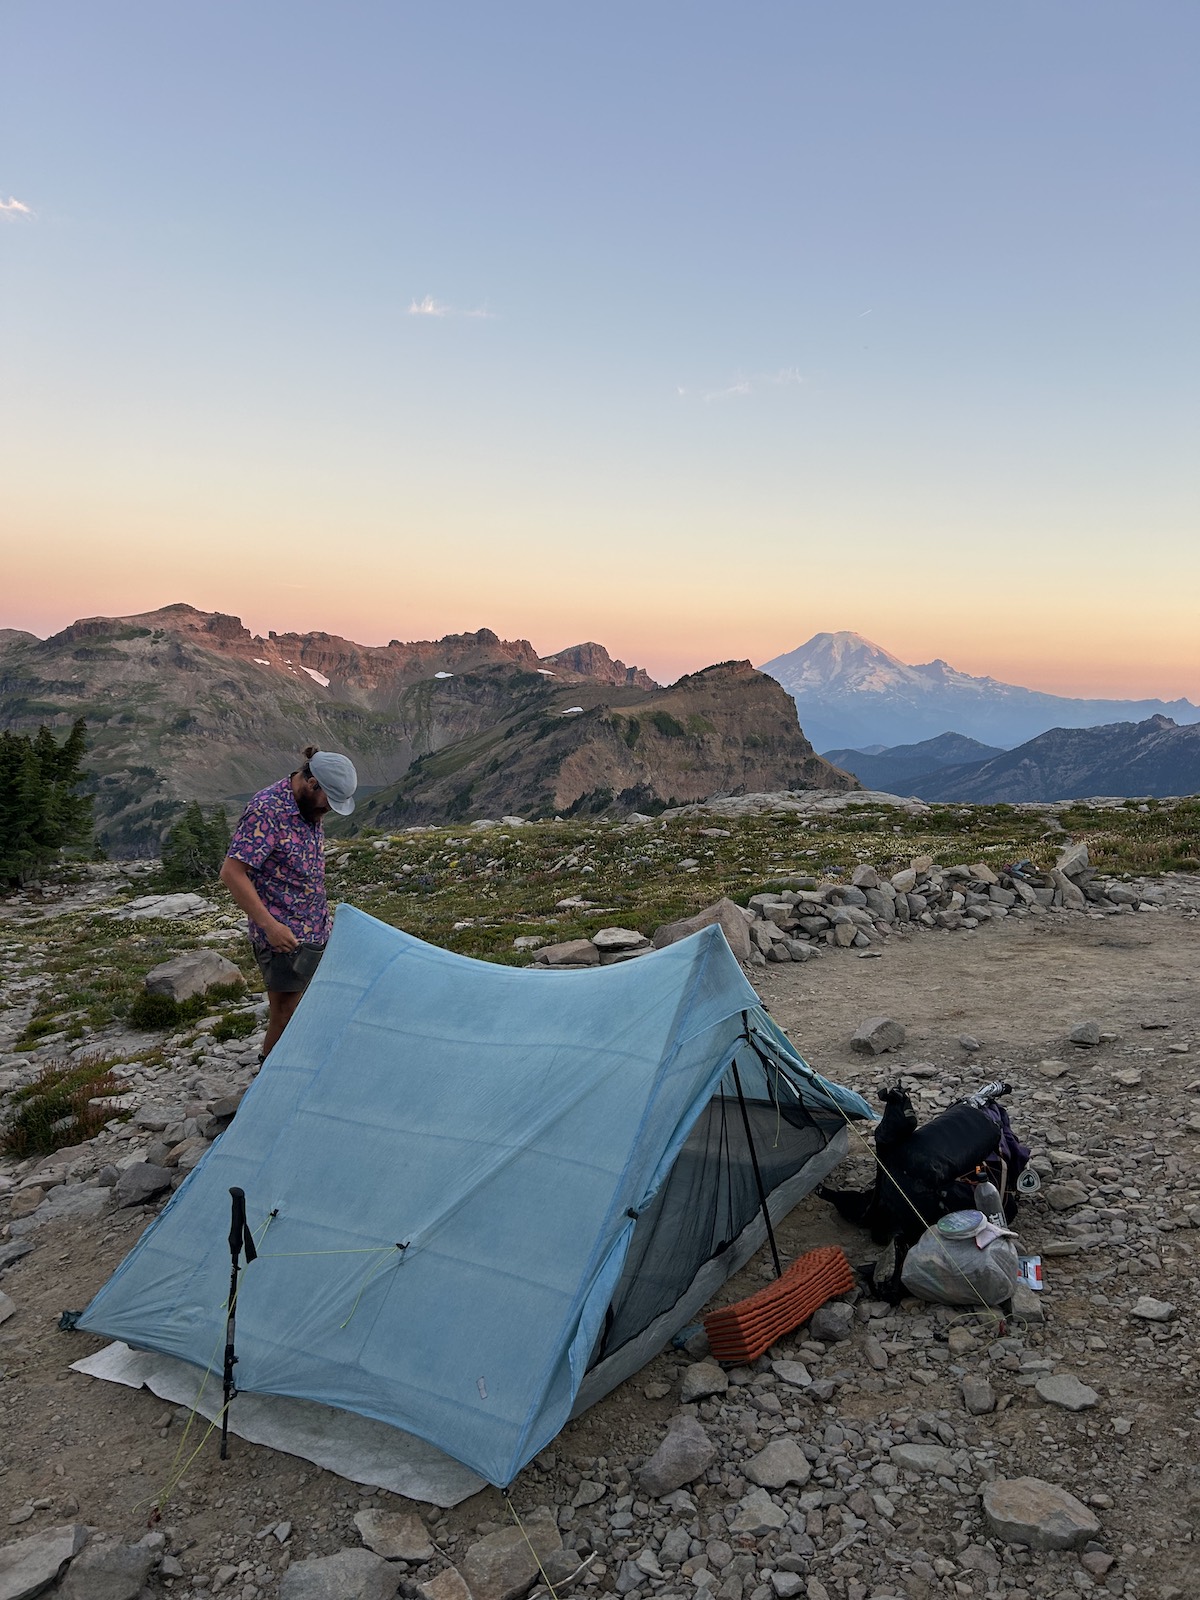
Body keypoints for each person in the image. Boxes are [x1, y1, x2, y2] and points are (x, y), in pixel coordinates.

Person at [219, 745, 358, 1061]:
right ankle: (268, 1083)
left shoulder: (308, 806)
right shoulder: (267, 811)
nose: (329, 810)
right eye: (329, 802)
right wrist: (269, 926)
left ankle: (300, 1068)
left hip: (315, 926)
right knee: (285, 1010)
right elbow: (232, 872)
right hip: (281, 934)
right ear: (312, 784)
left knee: (312, 1003)